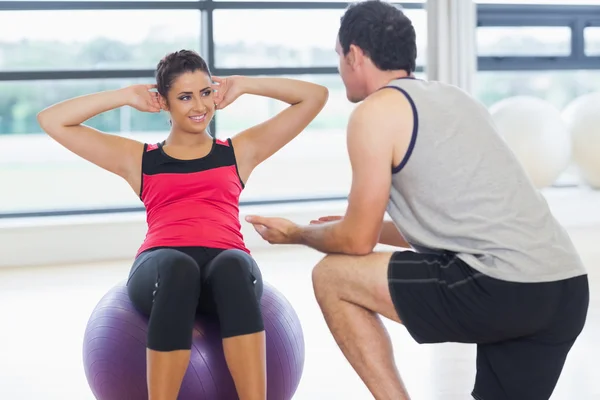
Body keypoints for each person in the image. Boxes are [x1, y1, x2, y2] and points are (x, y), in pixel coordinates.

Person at [245, 1, 590, 400]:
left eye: (339, 56)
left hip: (502, 287)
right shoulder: (457, 100)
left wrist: (297, 234)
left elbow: (357, 243)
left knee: (333, 276)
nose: (340, 68)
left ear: (355, 55)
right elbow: (457, 225)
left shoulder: (375, 113)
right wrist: (355, 223)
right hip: (563, 289)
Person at [37, 49, 328, 400]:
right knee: (179, 267)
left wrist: (245, 85)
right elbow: (53, 120)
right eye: (185, 97)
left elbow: (314, 97)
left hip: (227, 267)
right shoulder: (139, 160)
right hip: (161, 269)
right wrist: (124, 96)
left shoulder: (239, 151)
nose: (199, 106)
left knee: (233, 264)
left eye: (205, 93)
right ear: (165, 103)